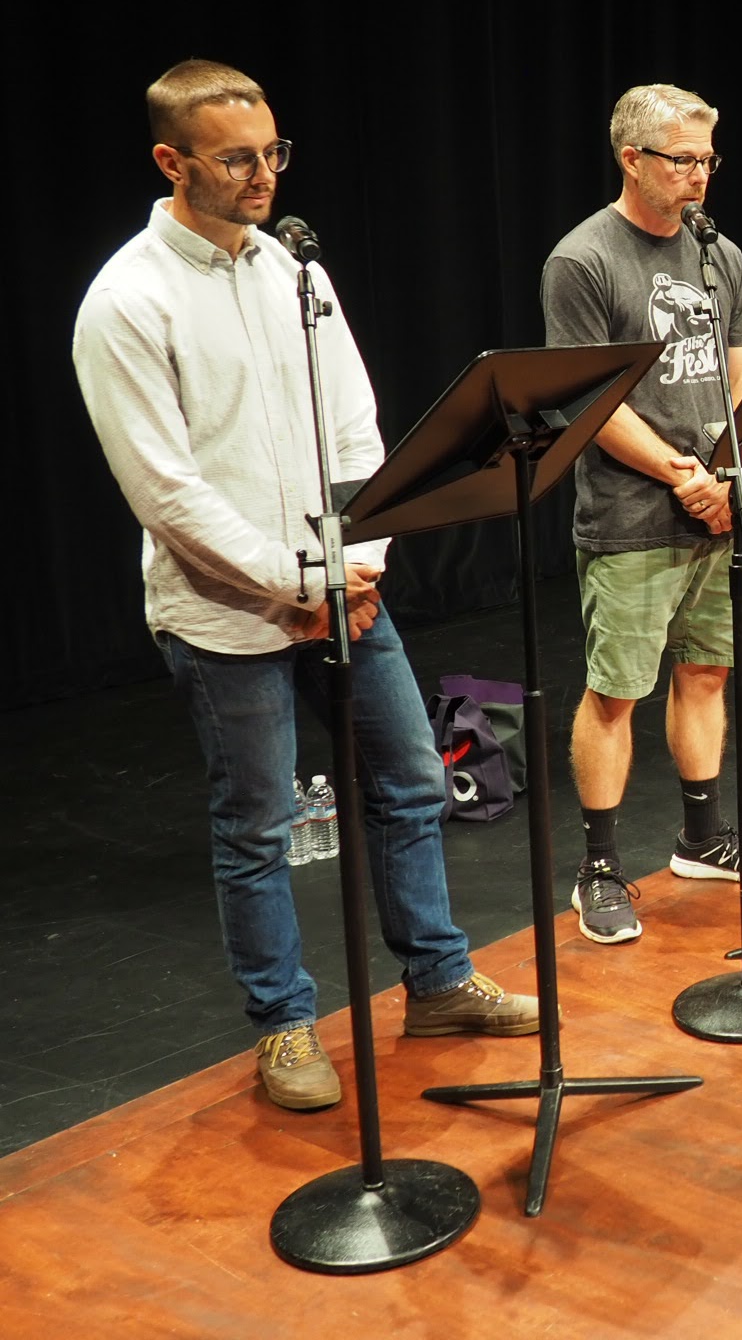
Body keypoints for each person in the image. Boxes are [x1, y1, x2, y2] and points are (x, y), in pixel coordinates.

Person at [72, 60, 540, 1113]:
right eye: (236, 158)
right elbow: (165, 490)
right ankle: (285, 1028)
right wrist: (292, 583)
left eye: (273, 152)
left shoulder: (299, 274)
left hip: (344, 590)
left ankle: (436, 981)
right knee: (259, 824)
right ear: (170, 160)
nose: (262, 174)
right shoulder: (128, 301)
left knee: (414, 781)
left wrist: (356, 566)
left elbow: (355, 432)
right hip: (225, 611)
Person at [542, 84, 742, 947]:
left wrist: (726, 472)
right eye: (682, 161)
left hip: (721, 502)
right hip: (629, 511)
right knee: (617, 690)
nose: (699, 178)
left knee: (707, 674)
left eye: (706, 161)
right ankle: (601, 867)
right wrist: (681, 473)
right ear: (632, 160)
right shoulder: (582, 261)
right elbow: (589, 403)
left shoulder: (716, 254)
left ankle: (701, 838)